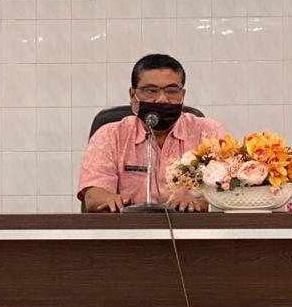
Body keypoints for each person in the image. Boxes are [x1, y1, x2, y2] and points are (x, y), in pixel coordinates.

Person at [77, 53, 225, 213]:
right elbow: (93, 195)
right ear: (133, 95)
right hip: (128, 226)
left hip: (190, 226)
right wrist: (110, 199)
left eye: (171, 91)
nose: (162, 99)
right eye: (151, 91)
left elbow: (228, 189)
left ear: (182, 95)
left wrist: (201, 201)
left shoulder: (207, 133)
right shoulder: (110, 135)